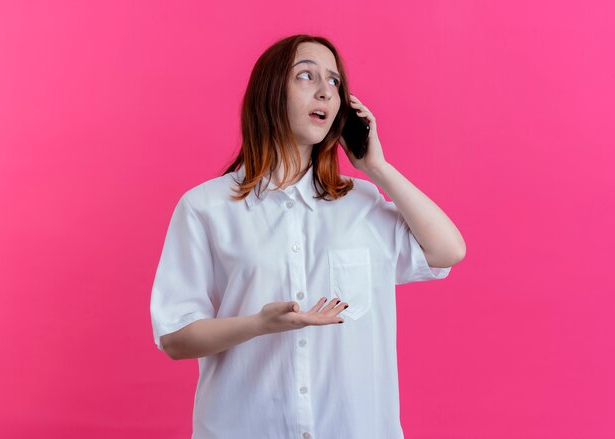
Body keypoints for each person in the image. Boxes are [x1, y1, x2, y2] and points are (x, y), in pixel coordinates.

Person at [150, 34, 465, 439]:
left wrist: (378, 168)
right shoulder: (205, 207)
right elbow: (176, 337)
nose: (325, 92)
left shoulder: (362, 203)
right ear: (270, 93)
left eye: (334, 82)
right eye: (306, 76)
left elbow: (448, 251)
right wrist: (259, 324)